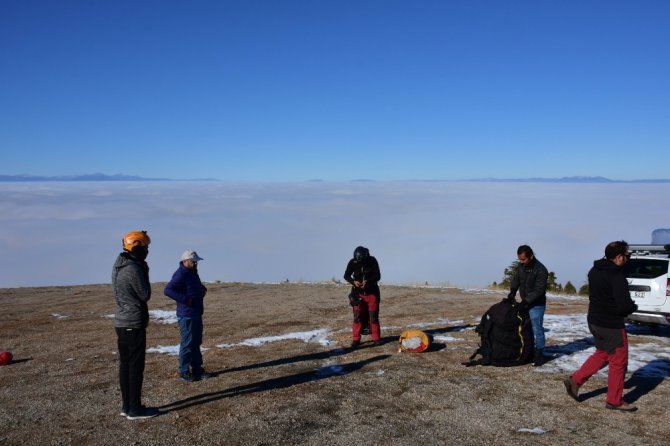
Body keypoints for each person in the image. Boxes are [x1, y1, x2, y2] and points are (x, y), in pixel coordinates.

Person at [563, 241, 638, 412]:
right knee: (618, 361)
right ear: (619, 257)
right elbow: (624, 306)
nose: (627, 259)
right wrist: (633, 307)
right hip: (611, 324)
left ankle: (575, 381)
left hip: (594, 321)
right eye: (627, 256)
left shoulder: (594, 271)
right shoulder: (617, 276)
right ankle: (614, 400)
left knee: (603, 353)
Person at [112, 230, 159, 420]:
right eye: (146, 247)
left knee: (125, 366)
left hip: (122, 323)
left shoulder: (119, 266)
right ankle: (135, 408)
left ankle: (127, 406)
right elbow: (145, 294)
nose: (147, 250)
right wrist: (144, 271)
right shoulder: (134, 269)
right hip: (133, 323)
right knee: (135, 367)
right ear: (137, 246)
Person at [164, 250, 210, 382]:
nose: (195, 264)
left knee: (196, 342)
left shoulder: (192, 273)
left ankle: (197, 370)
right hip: (187, 315)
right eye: (193, 261)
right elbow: (168, 290)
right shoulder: (181, 274)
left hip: (196, 313)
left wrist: (201, 289)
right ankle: (184, 372)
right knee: (187, 343)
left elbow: (192, 286)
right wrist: (185, 299)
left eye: (196, 261)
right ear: (185, 261)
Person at [507, 245, 549, 366]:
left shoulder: (541, 270)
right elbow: (516, 279)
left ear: (530, 256)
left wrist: (526, 302)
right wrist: (512, 292)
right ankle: (529, 351)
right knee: (525, 328)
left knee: (537, 329)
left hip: (537, 305)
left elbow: (539, 290)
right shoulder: (521, 266)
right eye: (519, 259)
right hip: (525, 302)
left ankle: (539, 355)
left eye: (523, 259)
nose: (521, 262)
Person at [343, 246, 381, 348]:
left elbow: (378, 275)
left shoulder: (372, 261)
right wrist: (353, 281)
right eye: (357, 259)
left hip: (372, 294)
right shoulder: (352, 262)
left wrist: (368, 282)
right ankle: (356, 339)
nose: (359, 261)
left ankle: (376, 338)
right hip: (357, 294)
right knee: (357, 317)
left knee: (373, 317)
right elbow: (346, 275)